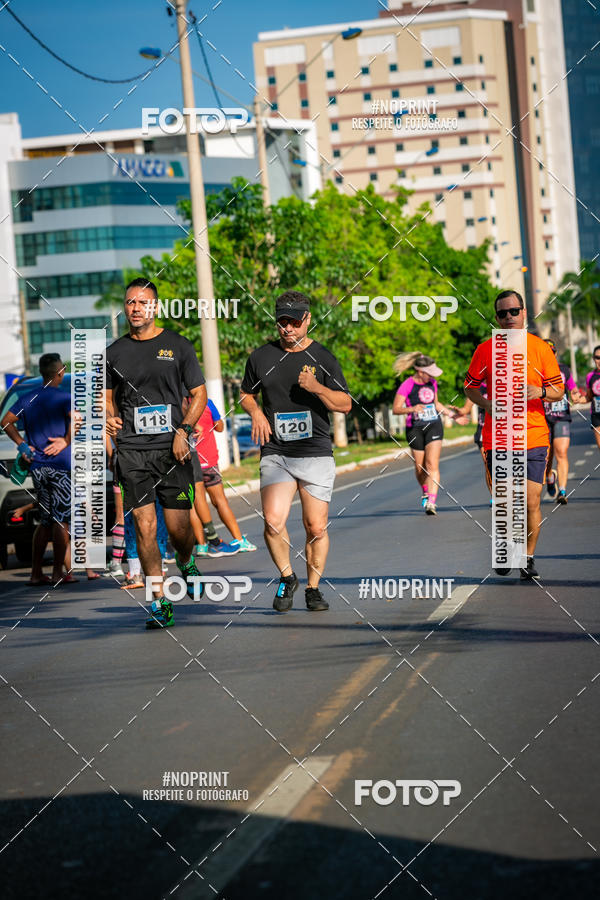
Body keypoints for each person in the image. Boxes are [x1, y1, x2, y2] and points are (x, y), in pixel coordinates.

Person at [240, 290, 351, 612]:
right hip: (277, 452)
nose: (287, 328)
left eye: (294, 322)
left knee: (315, 527)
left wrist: (317, 388)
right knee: (273, 522)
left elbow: (345, 404)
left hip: (315, 452)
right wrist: (257, 413)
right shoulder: (260, 357)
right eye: (282, 322)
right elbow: (247, 394)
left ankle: (313, 588)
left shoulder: (324, 358)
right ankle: (288, 577)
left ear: (308, 320)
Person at [106, 278, 207, 629]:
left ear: (155, 307)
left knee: (180, 530)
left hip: (172, 450)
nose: (135, 308)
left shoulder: (178, 345)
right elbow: (106, 394)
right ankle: (159, 601)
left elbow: (199, 394)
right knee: (144, 526)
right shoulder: (115, 351)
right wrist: (110, 418)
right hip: (133, 450)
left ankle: (186, 560)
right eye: (130, 302)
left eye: (142, 302)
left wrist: (184, 431)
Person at [464, 290, 564, 579]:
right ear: (496, 318)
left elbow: (559, 389)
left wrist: (541, 391)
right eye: (502, 313)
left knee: (531, 501)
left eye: (514, 311)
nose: (508, 317)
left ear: (524, 313)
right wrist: (486, 404)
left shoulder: (540, 349)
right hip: (497, 437)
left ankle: (528, 558)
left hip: (533, 434)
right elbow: (470, 387)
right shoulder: (485, 350)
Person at [1, 353, 72, 585]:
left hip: (38, 466)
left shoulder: (28, 397)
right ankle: (57, 573)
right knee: (61, 520)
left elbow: (5, 421)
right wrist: (66, 441)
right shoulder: (64, 397)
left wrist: (22, 444)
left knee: (45, 520)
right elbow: (77, 420)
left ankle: (35, 573)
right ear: (59, 372)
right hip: (60, 465)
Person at [392, 353, 460, 515]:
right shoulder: (407, 385)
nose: (431, 376)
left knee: (432, 464)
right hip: (415, 428)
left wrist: (452, 415)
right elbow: (396, 409)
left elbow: (436, 404)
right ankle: (424, 489)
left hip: (434, 426)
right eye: (429, 373)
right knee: (420, 467)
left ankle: (431, 501)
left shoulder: (433, 383)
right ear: (420, 371)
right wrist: (412, 409)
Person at [188, 397, 257, 557]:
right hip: (209, 460)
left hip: (190, 460)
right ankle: (239, 540)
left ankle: (202, 546)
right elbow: (219, 427)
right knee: (220, 501)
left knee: (193, 505)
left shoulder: (179, 404)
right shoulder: (207, 402)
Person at [543, 339, 584, 504]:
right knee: (546, 456)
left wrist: (575, 396)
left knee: (561, 452)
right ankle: (550, 477)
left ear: (555, 354)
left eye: (551, 353)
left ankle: (562, 491)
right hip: (542, 419)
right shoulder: (535, 371)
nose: (549, 356)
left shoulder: (564, 370)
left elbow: (573, 389)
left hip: (561, 417)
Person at [584, 345, 600, 455]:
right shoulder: (590, 376)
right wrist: (578, 399)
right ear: (594, 359)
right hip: (596, 415)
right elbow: (588, 397)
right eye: (597, 357)